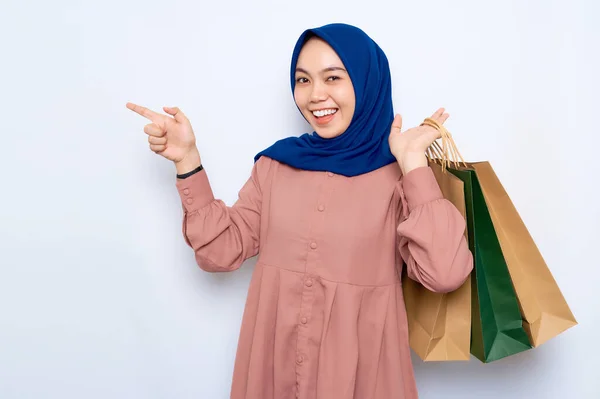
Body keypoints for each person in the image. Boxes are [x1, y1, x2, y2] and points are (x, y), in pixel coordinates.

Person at [127, 23, 473, 399]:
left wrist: (414, 164)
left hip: (363, 378)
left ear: (366, 81)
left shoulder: (401, 176)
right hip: (272, 373)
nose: (315, 95)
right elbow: (218, 252)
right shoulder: (276, 165)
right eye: (303, 80)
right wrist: (187, 161)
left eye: (333, 77)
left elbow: (444, 273)